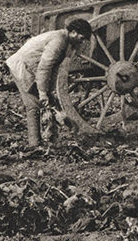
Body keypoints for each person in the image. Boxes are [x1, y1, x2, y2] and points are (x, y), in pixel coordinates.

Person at [5, 18, 93, 147]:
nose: (82, 40)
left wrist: (50, 91)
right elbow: (45, 67)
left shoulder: (67, 42)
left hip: (32, 68)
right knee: (33, 105)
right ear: (73, 32)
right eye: (82, 37)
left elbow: (56, 68)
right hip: (22, 66)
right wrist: (42, 93)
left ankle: (52, 138)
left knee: (51, 103)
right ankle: (34, 144)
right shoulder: (58, 41)